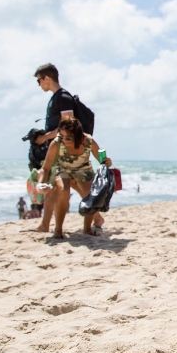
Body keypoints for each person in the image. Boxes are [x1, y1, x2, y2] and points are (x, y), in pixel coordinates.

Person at [36, 118, 111, 238]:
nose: (64, 140)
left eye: (68, 137)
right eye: (62, 135)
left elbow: (103, 161)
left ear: (78, 135)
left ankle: (87, 229)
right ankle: (58, 230)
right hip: (64, 170)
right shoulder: (57, 143)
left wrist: (107, 162)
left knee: (90, 194)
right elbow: (45, 168)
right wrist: (40, 184)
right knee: (63, 191)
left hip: (83, 171)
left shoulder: (88, 141)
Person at [30, 64, 76, 233]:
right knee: (55, 187)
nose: (39, 84)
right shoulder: (56, 97)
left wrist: (44, 137)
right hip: (57, 149)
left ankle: (98, 218)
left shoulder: (63, 97)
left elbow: (69, 124)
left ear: (47, 78)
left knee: (68, 186)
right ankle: (44, 225)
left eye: (39, 80)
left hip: (63, 151)